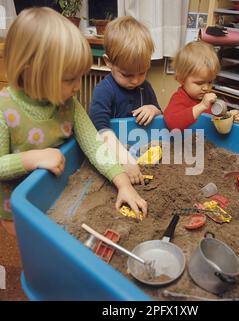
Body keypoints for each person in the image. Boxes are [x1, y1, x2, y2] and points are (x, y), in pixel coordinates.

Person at [0, 7, 147, 236]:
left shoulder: (69, 103)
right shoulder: (4, 108)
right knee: (31, 250)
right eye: (70, 79)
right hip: (19, 206)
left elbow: (95, 144)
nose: (78, 87)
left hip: (58, 197)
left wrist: (123, 184)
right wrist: (31, 158)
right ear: (31, 73)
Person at [89, 16, 162, 185]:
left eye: (142, 72)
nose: (136, 80)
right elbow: (99, 130)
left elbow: (160, 116)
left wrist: (153, 109)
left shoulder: (146, 87)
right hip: (115, 151)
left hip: (140, 145)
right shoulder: (103, 91)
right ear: (108, 62)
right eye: (127, 74)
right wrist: (124, 158)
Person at [164, 41, 239, 131]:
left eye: (209, 82)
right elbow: (172, 123)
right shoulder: (179, 98)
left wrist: (230, 116)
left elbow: (215, 121)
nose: (206, 88)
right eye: (199, 83)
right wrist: (202, 106)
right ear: (182, 79)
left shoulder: (209, 98)